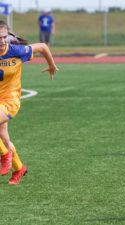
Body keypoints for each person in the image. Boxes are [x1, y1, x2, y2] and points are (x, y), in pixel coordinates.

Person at [0, 21, 58, 185]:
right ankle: (19, 169)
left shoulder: (16, 51)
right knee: (4, 139)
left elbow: (42, 47)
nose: (2, 41)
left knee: (3, 144)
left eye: (4, 37)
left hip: (10, 100)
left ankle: (5, 155)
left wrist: (52, 65)